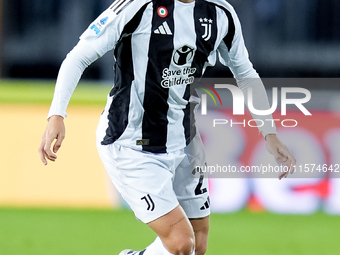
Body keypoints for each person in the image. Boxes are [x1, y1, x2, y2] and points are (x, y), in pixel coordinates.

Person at [38, 0, 296, 254]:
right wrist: (57, 115)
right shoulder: (137, 6)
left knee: (198, 245)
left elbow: (246, 74)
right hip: (132, 142)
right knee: (182, 244)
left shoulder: (221, 14)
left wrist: (269, 133)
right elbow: (79, 56)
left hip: (185, 140)